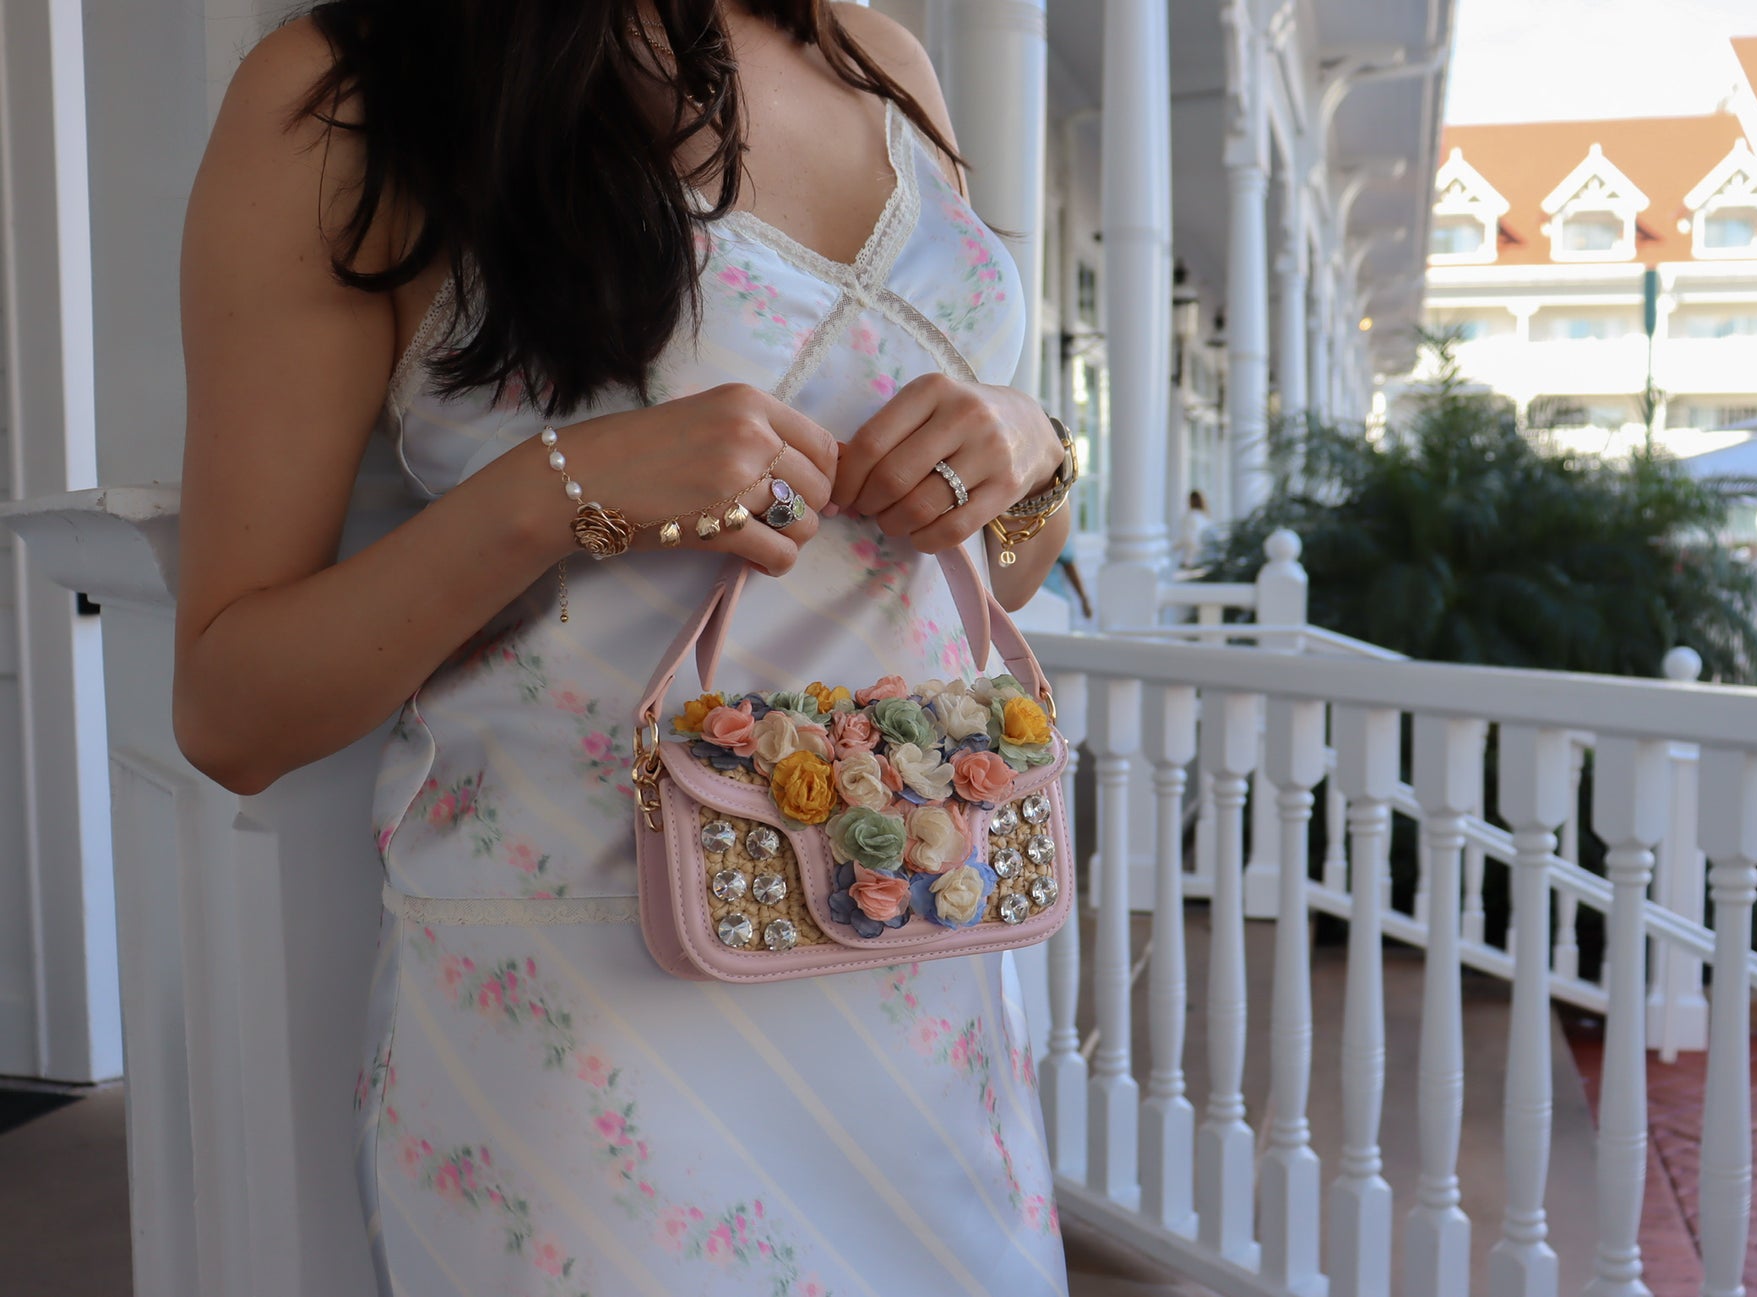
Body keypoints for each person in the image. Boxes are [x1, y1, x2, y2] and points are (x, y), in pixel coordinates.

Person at [171, 4, 1074, 1292]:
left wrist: (1031, 454)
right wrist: (555, 493)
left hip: (923, 969)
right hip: (597, 1020)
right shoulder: (350, 90)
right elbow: (230, 709)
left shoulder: (876, 57)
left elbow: (992, 569)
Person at [1176, 488, 1214, 570]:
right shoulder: (1206, 518)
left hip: (1192, 560)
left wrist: (1174, 547)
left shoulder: (1190, 517)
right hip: (1204, 559)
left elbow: (1187, 538)